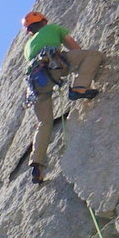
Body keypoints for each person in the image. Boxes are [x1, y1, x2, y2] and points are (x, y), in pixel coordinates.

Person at [20, 11, 103, 183]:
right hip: (53, 64)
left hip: (35, 83)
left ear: (29, 31)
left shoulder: (27, 47)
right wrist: (78, 66)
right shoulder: (53, 28)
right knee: (93, 55)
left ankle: (37, 164)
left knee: (44, 123)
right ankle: (79, 88)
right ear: (44, 21)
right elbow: (75, 48)